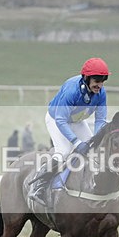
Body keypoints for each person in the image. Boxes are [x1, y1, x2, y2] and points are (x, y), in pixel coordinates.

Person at [28, 57, 111, 205]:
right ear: (86, 78)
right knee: (64, 151)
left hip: (77, 121)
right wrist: (76, 142)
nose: (100, 85)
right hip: (56, 119)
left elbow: (100, 120)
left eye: (103, 80)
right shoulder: (72, 91)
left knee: (93, 151)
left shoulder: (101, 93)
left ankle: (87, 187)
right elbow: (60, 120)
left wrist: (96, 140)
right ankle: (38, 187)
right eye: (97, 80)